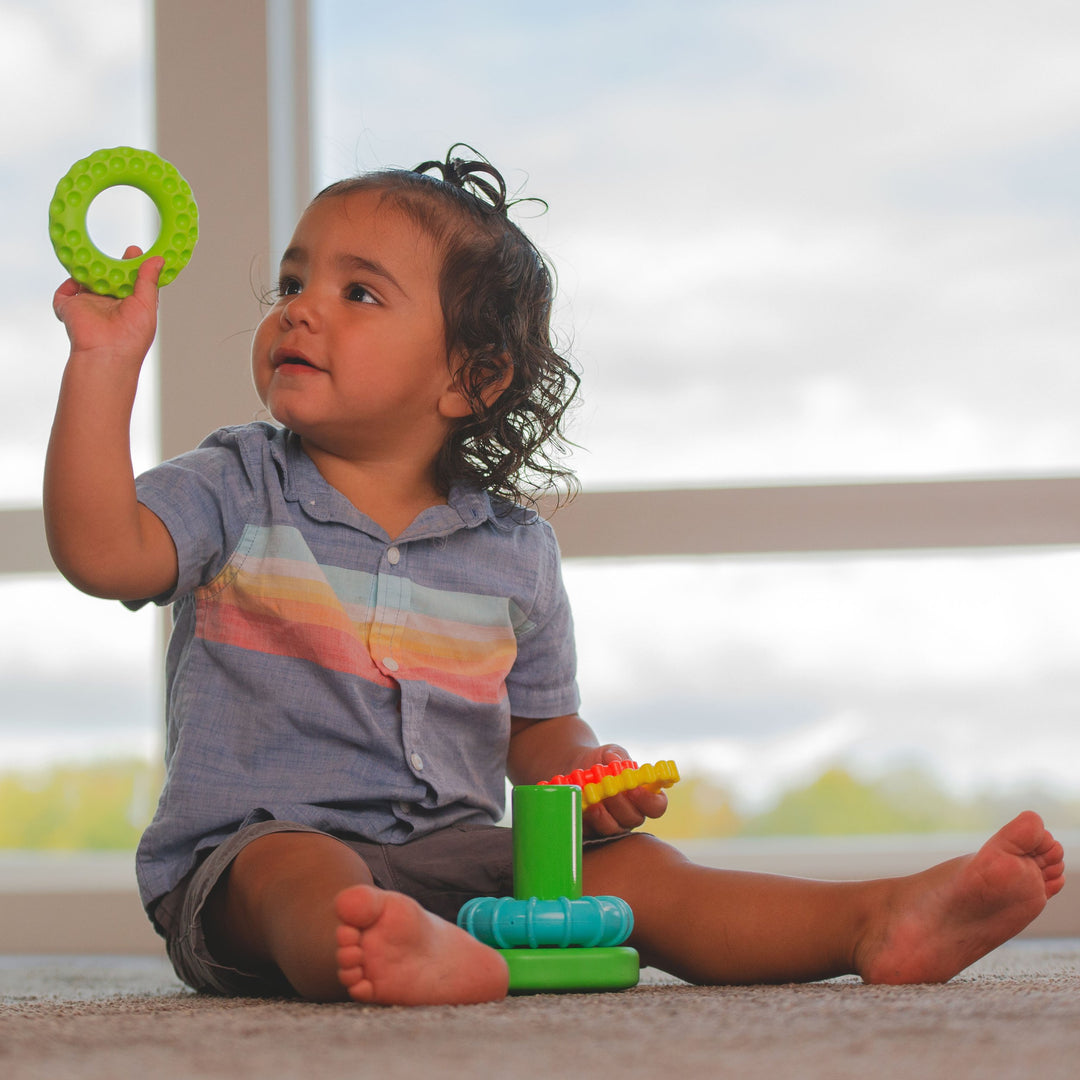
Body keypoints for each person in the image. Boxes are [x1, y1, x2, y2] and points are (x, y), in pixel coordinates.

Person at [45, 148, 1065, 1006]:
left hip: (458, 853)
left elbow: (537, 732)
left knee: (634, 879)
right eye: (294, 283)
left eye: (357, 292)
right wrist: (105, 360)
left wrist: (581, 778)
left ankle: (869, 921)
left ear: (469, 379)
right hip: (247, 860)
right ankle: (389, 949)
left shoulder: (513, 553)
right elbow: (102, 552)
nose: (301, 312)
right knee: (300, 872)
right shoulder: (237, 484)